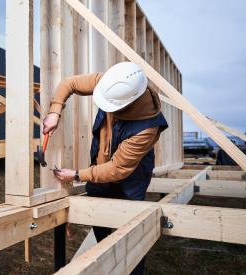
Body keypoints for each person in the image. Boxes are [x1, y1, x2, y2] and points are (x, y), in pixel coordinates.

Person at [42, 62, 168, 275]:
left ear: (126, 105)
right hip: (99, 170)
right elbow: (69, 83)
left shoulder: (147, 127)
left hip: (130, 180)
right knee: (100, 220)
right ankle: (107, 260)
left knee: (131, 234)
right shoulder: (111, 83)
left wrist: (77, 175)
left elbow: (118, 169)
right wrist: (55, 111)